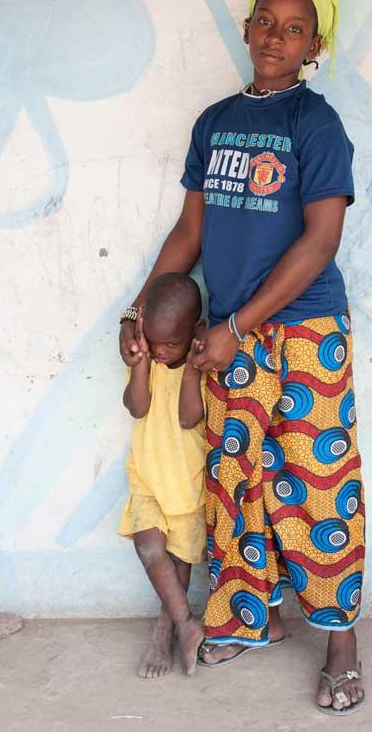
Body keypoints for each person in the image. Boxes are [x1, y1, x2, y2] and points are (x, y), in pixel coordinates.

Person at [118, 0, 366, 714]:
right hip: (224, 336)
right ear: (247, 25)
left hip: (302, 331)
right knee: (238, 483)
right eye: (265, 20)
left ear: (313, 43)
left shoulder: (315, 125)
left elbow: (319, 242)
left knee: (317, 485)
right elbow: (192, 229)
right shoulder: (216, 121)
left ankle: (342, 643)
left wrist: (233, 325)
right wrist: (139, 311)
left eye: (294, 28)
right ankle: (245, 618)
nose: (274, 37)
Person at [118, 273, 208, 678]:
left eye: (171, 344)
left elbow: (190, 418)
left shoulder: (200, 366)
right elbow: (137, 408)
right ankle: (186, 624)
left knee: (179, 561)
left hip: (187, 485)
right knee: (149, 545)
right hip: (148, 477)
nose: (160, 351)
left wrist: (189, 370)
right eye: (152, 341)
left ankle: (168, 627)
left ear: (195, 333)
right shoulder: (149, 360)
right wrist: (140, 366)